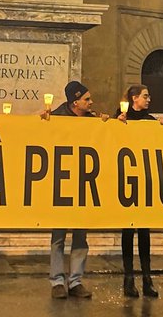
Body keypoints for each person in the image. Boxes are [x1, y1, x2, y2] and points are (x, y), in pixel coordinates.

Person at [48, 81, 97, 299]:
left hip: (83, 183)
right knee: (58, 236)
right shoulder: (56, 118)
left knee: (80, 235)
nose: (91, 102)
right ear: (75, 102)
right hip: (62, 183)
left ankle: (75, 281)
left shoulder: (92, 120)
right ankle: (57, 281)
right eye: (87, 99)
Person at [117, 85, 160, 298]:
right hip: (127, 181)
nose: (149, 99)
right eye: (145, 96)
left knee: (144, 232)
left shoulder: (150, 120)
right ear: (134, 98)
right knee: (128, 232)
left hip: (145, 180)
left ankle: (147, 278)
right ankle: (128, 278)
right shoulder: (121, 118)